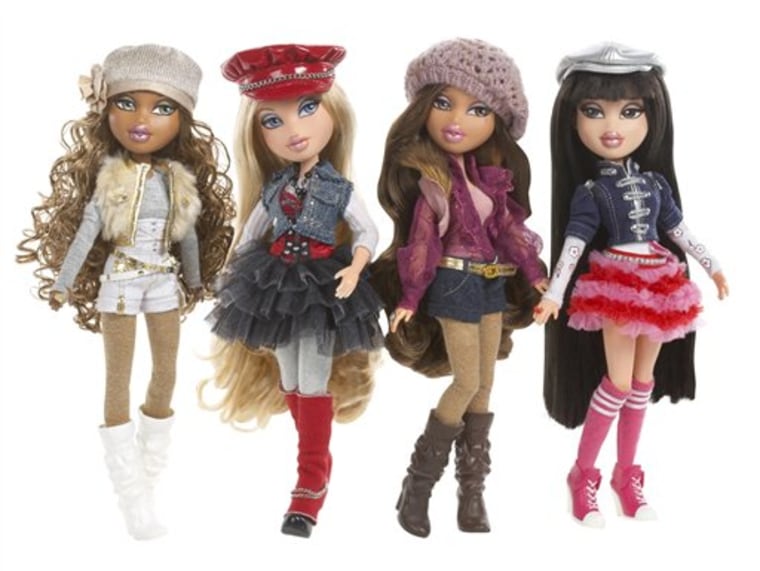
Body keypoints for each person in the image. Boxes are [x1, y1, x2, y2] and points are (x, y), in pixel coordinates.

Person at [16, 44, 235, 539]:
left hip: (162, 280)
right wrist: (63, 282)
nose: (142, 120)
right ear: (106, 110)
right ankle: (130, 493)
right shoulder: (109, 177)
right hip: (119, 281)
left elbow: (188, 238)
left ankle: (145, 482)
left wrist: (196, 280)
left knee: (166, 372)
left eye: (162, 108)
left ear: (181, 119)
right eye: (126, 103)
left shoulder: (178, 180)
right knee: (118, 378)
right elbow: (86, 234)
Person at [533, 42, 729, 528]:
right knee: (618, 382)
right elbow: (574, 244)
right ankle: (583, 474)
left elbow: (679, 231)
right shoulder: (591, 191)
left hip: (660, 281)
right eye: (594, 111)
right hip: (616, 283)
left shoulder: (656, 184)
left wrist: (712, 265)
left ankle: (626, 474)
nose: (611, 126)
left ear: (652, 116)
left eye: (630, 111)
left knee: (643, 383)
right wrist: (554, 293)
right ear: (572, 119)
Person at [204, 44, 383, 538]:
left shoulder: (338, 188)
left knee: (313, 379)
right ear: (258, 134)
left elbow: (367, 230)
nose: (293, 129)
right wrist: (229, 277)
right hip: (276, 283)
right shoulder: (273, 189)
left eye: (308, 108)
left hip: (323, 285)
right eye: (272, 120)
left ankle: (308, 483)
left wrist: (356, 269)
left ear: (334, 115)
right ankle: (317, 461)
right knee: (290, 377)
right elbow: (249, 236)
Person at [371, 38, 547, 537]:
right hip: (452, 284)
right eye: (444, 102)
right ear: (423, 108)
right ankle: (418, 486)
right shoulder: (431, 181)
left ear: (497, 122)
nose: (457, 119)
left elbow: (508, 230)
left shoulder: (491, 178)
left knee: (485, 384)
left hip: (493, 284)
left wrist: (535, 274)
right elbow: (423, 243)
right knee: (466, 381)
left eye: (478, 109)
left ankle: (472, 493)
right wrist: (409, 297)